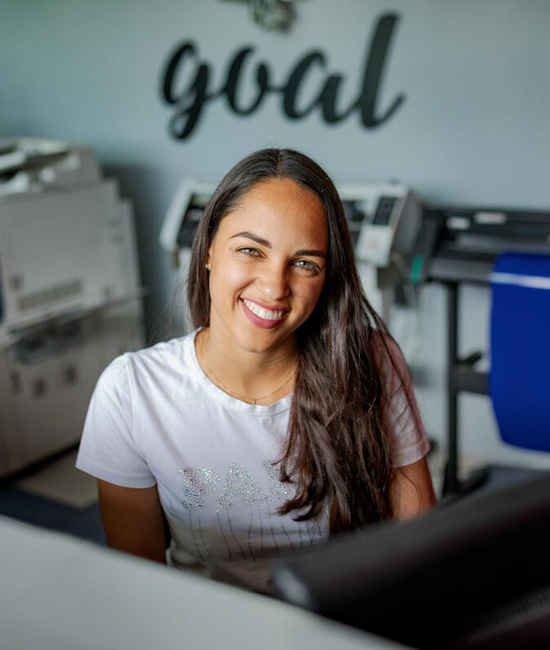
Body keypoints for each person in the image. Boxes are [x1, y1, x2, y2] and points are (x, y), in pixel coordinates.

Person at [76, 148, 435, 594]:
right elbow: (141, 585)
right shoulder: (131, 391)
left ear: (327, 279)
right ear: (208, 250)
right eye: (250, 250)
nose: (273, 287)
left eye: (305, 264)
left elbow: (418, 549)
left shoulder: (372, 361)